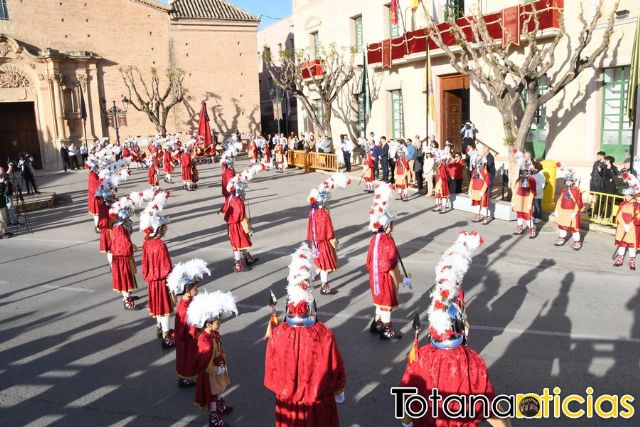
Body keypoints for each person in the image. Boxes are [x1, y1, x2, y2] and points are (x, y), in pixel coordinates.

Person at [400, 232, 511, 427]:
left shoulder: (420, 357)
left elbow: (408, 400)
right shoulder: (473, 361)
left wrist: (407, 423)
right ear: (458, 326)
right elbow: (490, 407)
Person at [264, 243, 346, 427]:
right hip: (318, 405)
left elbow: (272, 372)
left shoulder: (277, 334)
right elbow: (335, 369)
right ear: (311, 305)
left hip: (288, 404)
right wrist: (339, 390)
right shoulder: (324, 334)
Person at [366, 183, 412, 340]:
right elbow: (389, 261)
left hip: (374, 275)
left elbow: (369, 261)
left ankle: (377, 323)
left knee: (379, 301)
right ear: (387, 227)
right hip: (384, 277)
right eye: (392, 223)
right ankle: (386, 330)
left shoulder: (375, 239)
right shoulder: (386, 241)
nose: (393, 226)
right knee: (386, 303)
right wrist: (397, 274)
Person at [188, 290, 238, 427]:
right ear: (208, 324)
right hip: (211, 373)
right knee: (212, 396)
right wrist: (216, 369)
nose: (220, 322)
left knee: (219, 391)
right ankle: (213, 417)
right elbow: (204, 361)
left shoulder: (213, 334)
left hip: (218, 367)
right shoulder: (205, 340)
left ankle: (220, 407)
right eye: (217, 321)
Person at [140, 193, 176, 349]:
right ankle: (167, 336)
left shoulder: (146, 243)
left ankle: (160, 327)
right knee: (165, 308)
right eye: (162, 228)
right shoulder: (160, 245)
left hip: (152, 282)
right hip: (161, 281)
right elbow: (166, 265)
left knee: (158, 307)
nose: (164, 230)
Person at [167, 258, 210, 388]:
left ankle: (186, 377)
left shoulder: (186, 303)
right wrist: (200, 331)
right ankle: (186, 378)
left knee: (186, 358)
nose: (197, 289)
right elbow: (190, 327)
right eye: (195, 288)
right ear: (187, 289)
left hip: (185, 339)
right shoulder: (186, 308)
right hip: (188, 340)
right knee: (188, 359)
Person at [307, 172, 350, 295]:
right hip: (323, 241)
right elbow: (327, 229)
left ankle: (308, 279)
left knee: (318, 263)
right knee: (324, 265)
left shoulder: (313, 211)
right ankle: (324, 287)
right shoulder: (323, 213)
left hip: (316, 242)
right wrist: (332, 239)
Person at [224, 171, 260, 273]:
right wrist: (248, 229)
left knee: (242, 243)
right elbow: (242, 217)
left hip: (232, 225)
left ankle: (247, 259)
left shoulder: (230, 198)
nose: (244, 192)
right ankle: (238, 264)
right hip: (237, 226)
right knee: (238, 245)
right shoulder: (238, 202)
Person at [109, 198, 138, 310]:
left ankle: (128, 296)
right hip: (122, 259)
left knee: (129, 279)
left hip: (124, 258)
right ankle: (127, 301)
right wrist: (131, 248)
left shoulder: (121, 227)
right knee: (125, 280)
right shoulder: (120, 228)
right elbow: (123, 246)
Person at [613, 173, 639, 269]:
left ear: (632, 195)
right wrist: (624, 225)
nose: (625, 197)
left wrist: (630, 226)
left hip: (631, 229)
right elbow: (619, 215)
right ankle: (620, 259)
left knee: (631, 246)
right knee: (622, 244)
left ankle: (632, 261)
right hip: (622, 227)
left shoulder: (637, 206)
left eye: (627, 195)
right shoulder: (623, 204)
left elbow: (638, 218)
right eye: (625, 195)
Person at [554, 164, 583, 250]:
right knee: (562, 226)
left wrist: (574, 212)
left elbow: (578, 202)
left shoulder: (577, 190)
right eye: (567, 180)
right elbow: (559, 201)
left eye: (570, 181)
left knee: (574, 228)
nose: (568, 182)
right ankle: (561, 238)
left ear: (573, 181)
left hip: (572, 212)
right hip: (563, 211)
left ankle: (577, 241)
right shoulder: (564, 189)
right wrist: (556, 210)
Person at [511, 153, 537, 238]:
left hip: (526, 201)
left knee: (527, 216)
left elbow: (532, 192)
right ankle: (519, 228)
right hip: (519, 200)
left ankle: (532, 229)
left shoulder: (531, 179)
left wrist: (530, 203)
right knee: (519, 214)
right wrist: (513, 201)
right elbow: (515, 190)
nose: (523, 173)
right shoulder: (519, 179)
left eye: (524, 171)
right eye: (521, 172)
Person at [468, 153, 491, 224]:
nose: (478, 165)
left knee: (484, 205)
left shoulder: (485, 172)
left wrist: (482, 191)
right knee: (477, 204)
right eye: (477, 163)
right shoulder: (474, 172)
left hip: (482, 191)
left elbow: (487, 182)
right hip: (475, 190)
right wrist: (470, 190)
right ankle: (477, 215)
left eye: (479, 163)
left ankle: (485, 217)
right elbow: (472, 181)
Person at [433, 148, 451, 213]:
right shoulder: (437, 166)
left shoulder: (442, 166)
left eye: (436, 158)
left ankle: (443, 208)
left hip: (442, 183)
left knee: (443, 196)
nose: (435, 159)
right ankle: (438, 206)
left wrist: (440, 183)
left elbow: (444, 176)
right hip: (438, 182)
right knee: (437, 195)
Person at [0, 170, 13, 239]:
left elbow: (5, 191)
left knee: (4, 218)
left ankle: (6, 231)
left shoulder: (2, 183)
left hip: (2, 203)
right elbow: (1, 191)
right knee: (1, 219)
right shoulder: (1, 183)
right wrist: (2, 183)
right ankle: (1, 233)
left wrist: (4, 183)